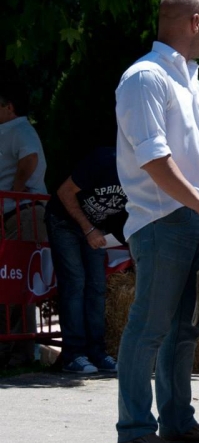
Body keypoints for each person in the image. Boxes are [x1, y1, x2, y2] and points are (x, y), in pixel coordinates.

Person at [115, 0, 199, 443]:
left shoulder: (193, 81)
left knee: (185, 329)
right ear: (194, 21)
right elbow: (154, 160)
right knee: (149, 326)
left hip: (192, 218)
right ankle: (133, 429)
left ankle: (176, 421)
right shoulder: (144, 78)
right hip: (162, 220)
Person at [45, 147, 127, 374]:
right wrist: (89, 229)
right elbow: (64, 192)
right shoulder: (104, 160)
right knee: (75, 283)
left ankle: (97, 353)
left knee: (97, 287)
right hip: (65, 222)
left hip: (97, 227)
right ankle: (74, 354)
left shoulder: (143, 174)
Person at [0, 81, 48, 369]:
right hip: (15, 212)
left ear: (9, 107)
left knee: (19, 281)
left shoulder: (19, 128)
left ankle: (21, 351)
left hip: (24, 212)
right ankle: (12, 349)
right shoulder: (11, 130)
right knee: (11, 280)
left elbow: (29, 158)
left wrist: (16, 193)